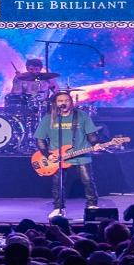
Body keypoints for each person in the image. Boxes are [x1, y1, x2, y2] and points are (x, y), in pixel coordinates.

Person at [36, 89, 99, 217]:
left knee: (87, 181)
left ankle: (92, 206)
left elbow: (91, 135)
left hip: (80, 154)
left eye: (66, 100)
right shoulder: (48, 119)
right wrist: (48, 155)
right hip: (57, 157)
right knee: (57, 183)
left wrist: (96, 144)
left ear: (71, 102)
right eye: (60, 101)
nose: (63, 103)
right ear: (55, 103)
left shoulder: (82, 116)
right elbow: (40, 139)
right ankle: (58, 208)